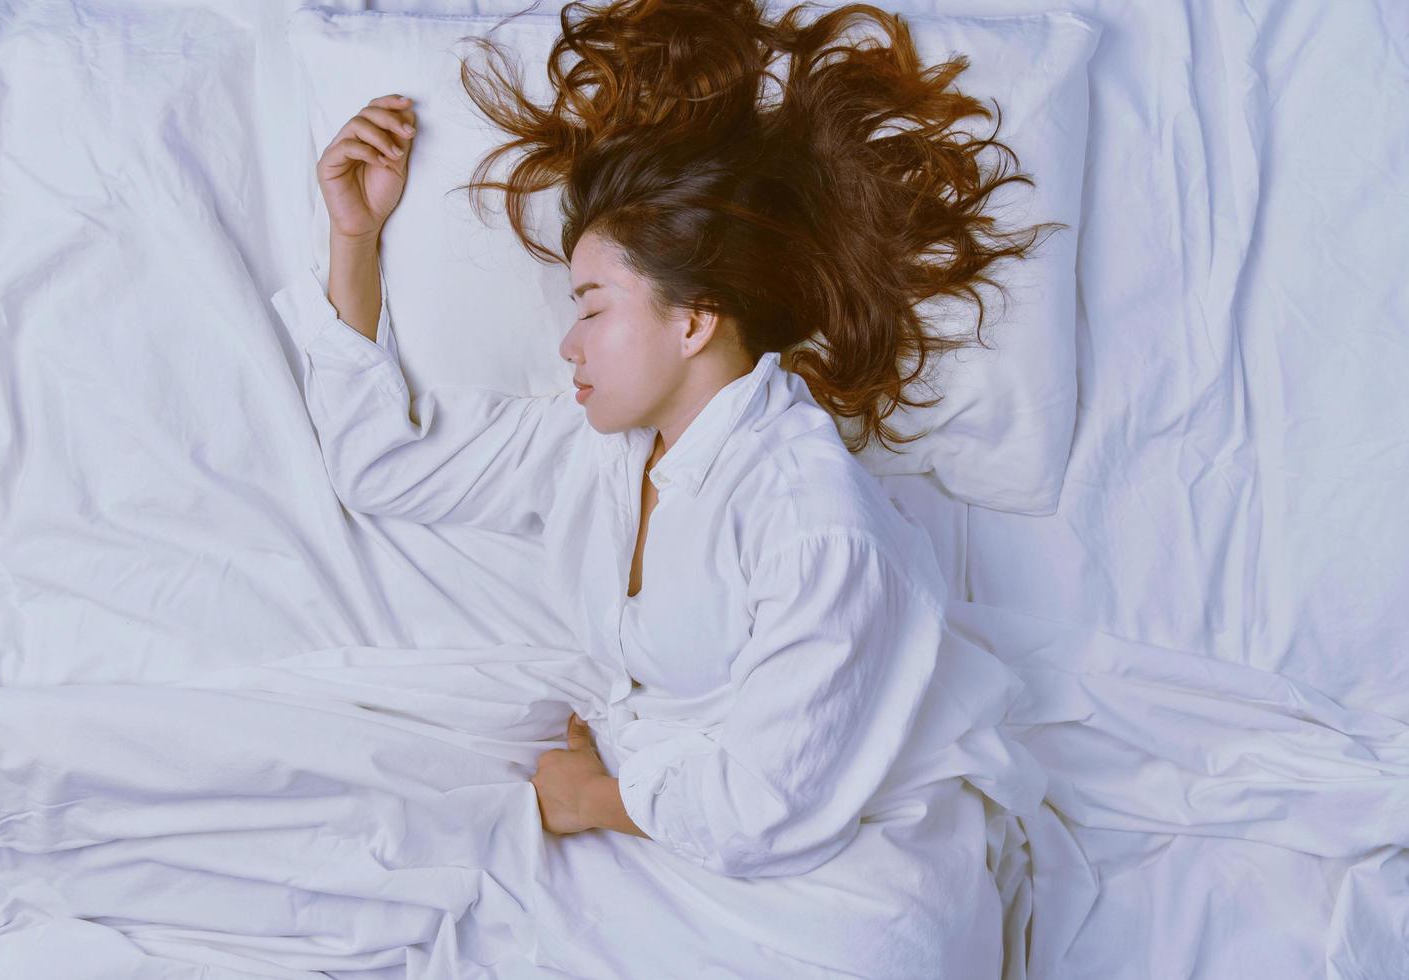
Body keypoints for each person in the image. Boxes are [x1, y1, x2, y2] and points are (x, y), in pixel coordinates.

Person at [277, 0, 1055, 974]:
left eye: (591, 306)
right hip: (686, 842)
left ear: (692, 321)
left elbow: (765, 807)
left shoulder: (815, 523)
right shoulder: (597, 445)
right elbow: (377, 466)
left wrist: (588, 797)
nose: (566, 341)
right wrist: (355, 235)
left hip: (845, 900)